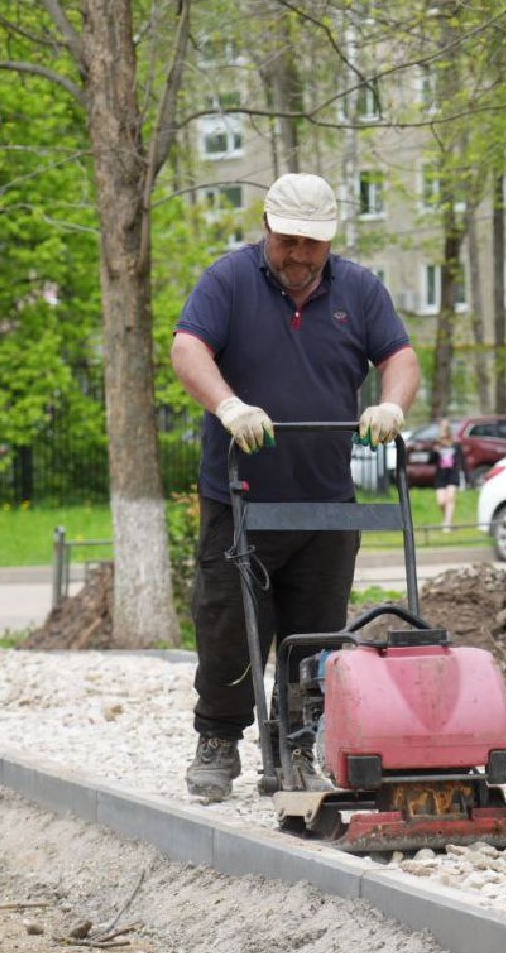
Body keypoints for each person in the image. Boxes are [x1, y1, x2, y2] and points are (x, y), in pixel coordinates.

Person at [171, 173, 421, 802]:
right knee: (229, 625)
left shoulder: (359, 289)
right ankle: (220, 740)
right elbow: (188, 348)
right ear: (267, 229)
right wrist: (229, 408)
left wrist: (391, 405)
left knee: (316, 634)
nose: (301, 255)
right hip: (241, 499)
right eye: (290, 242)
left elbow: (400, 357)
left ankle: (297, 744)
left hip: (325, 503)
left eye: (314, 244)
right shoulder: (228, 281)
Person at [432, 419, 466, 532]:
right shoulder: (437, 444)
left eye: (446, 428)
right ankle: (449, 521)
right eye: (442, 428)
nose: (444, 430)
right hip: (441, 476)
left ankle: (446, 525)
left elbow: (462, 461)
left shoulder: (456, 444)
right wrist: (435, 452)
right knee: (441, 502)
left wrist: (466, 476)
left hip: (453, 474)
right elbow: (431, 460)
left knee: (450, 499)